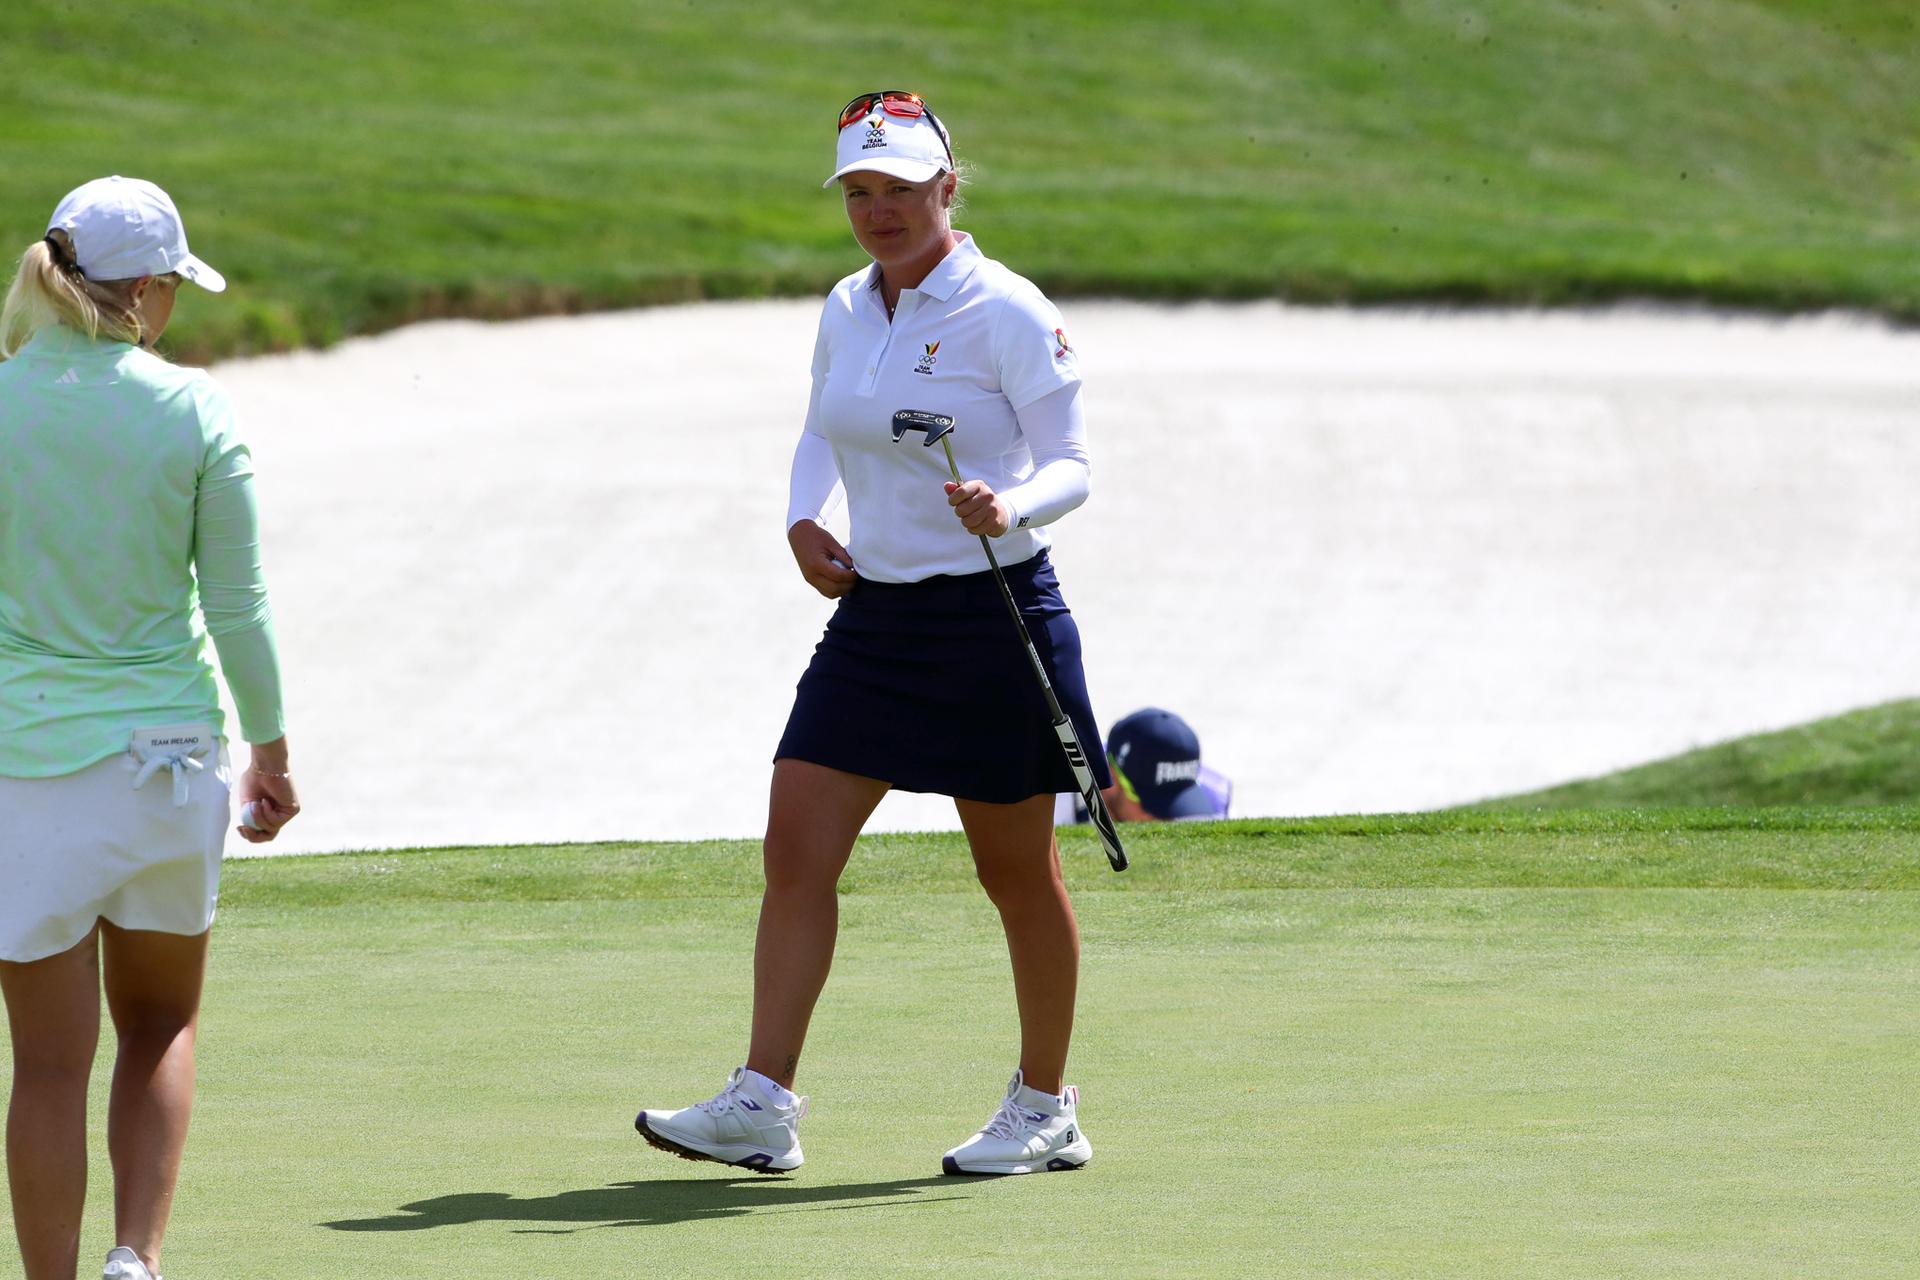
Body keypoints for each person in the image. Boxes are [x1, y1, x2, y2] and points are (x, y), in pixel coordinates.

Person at [634, 91, 1108, 1177]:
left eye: (900, 189)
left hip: (993, 616)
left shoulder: (1009, 311)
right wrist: (804, 517)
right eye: (859, 191)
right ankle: (763, 1101)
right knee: (796, 847)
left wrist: (1012, 504)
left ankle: (1046, 1106)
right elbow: (822, 422)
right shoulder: (848, 305)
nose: (879, 211)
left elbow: (1073, 461)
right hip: (878, 619)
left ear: (949, 186)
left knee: (1017, 872)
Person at [0, 177, 299, 1280]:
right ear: (145, 290)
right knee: (160, 1024)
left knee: (44, 1065)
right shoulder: (195, 409)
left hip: (24, 768)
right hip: (167, 765)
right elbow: (240, 604)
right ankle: (138, 1255)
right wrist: (271, 751)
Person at [1056, 707, 1232, 825]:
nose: (1166, 820)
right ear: (1111, 778)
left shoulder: (1212, 802)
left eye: (1181, 803)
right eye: (1152, 804)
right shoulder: (1055, 804)